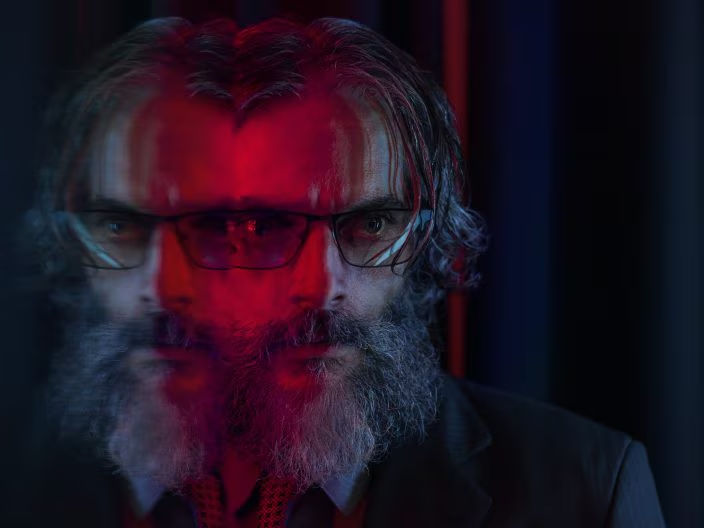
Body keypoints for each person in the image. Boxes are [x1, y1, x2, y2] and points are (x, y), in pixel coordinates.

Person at [21, 15, 666, 528]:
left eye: (372, 224)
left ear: (430, 237)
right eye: (269, 226)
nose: (321, 286)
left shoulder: (585, 486)